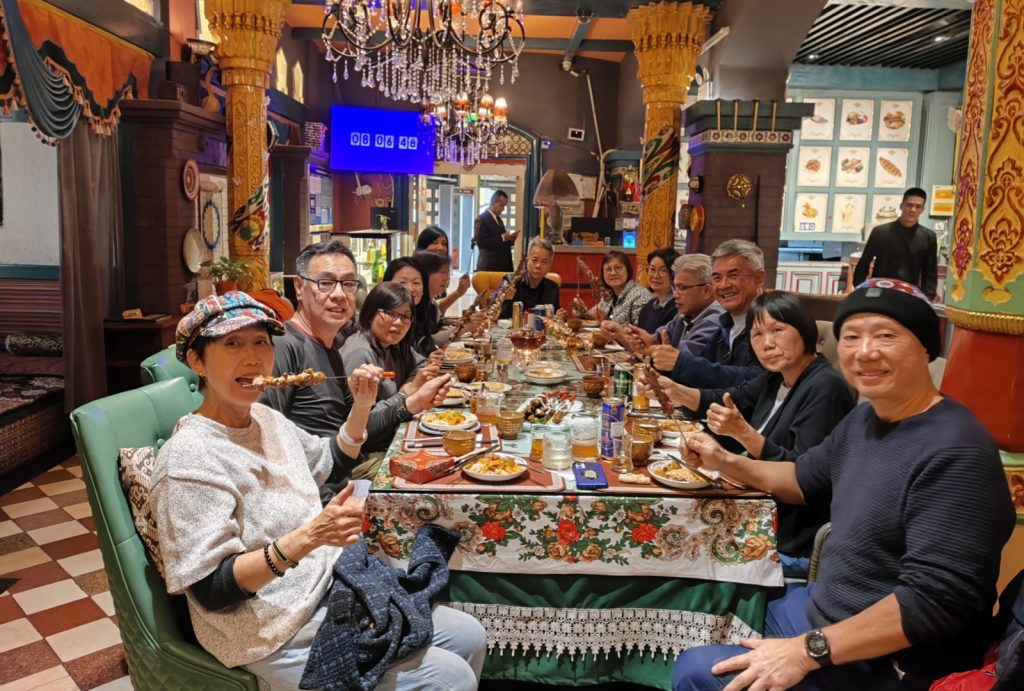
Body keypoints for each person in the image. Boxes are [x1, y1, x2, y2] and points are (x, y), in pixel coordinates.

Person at [673, 278, 1015, 691]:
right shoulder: (865, 419)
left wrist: (805, 651)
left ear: (927, 347)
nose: (865, 351)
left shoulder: (956, 451)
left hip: (889, 659)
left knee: (698, 669)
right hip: (823, 608)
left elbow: (933, 602)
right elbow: (801, 478)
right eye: (851, 336)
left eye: (886, 336)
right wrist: (722, 459)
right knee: (703, 605)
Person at [153, 292, 486, 691]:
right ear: (196, 360)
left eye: (261, 342)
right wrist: (310, 536)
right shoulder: (189, 459)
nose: (254, 357)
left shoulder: (264, 417)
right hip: (270, 628)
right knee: (451, 679)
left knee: (470, 634)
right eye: (232, 344)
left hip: (329, 585)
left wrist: (362, 405)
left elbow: (329, 460)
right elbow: (212, 590)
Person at [648, 291, 854, 577]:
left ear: (804, 329)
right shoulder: (775, 379)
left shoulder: (824, 387)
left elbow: (803, 476)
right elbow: (729, 397)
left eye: (777, 330)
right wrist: (674, 390)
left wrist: (744, 434)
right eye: (756, 335)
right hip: (752, 502)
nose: (767, 344)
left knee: (670, 546)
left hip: (782, 533)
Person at [261, 242, 451, 492]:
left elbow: (359, 430)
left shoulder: (331, 348)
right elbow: (262, 442)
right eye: (325, 283)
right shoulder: (284, 345)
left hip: (347, 479)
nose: (339, 294)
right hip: (317, 495)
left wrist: (414, 401)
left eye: (348, 284)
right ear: (299, 286)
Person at [340, 281, 452, 455]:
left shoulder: (394, 344)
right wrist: (409, 390)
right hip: (367, 453)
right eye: (390, 313)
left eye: (405, 316)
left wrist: (408, 387)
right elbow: (361, 426)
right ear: (370, 313)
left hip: (393, 433)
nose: (399, 322)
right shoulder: (360, 353)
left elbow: (422, 364)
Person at [654, 239, 765, 389]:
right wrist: (667, 368)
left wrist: (680, 363)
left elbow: (758, 379)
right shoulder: (725, 324)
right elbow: (702, 377)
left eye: (733, 275)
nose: (724, 285)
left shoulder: (770, 324)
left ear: (759, 279)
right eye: (717, 278)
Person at [604, 254, 723, 360]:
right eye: (674, 288)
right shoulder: (685, 314)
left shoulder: (715, 321)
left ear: (707, 291)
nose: (676, 295)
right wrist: (645, 339)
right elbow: (657, 338)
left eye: (682, 288)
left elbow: (679, 362)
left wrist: (649, 350)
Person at [852, 187, 938, 300]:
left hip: (909, 294)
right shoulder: (880, 232)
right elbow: (865, 261)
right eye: (909, 205)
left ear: (922, 209)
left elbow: (930, 271)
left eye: (918, 206)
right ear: (901, 205)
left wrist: (928, 297)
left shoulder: (928, 236)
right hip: (878, 291)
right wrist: (859, 287)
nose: (913, 210)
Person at [413, 250, 486, 347]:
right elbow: (426, 343)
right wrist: (461, 328)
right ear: (423, 274)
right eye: (442, 272)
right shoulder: (413, 306)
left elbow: (438, 308)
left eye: (448, 272)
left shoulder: (431, 303)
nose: (447, 278)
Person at [574, 250, 652, 325]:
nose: (613, 273)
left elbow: (641, 332)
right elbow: (592, 320)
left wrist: (607, 323)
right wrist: (582, 311)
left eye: (618, 268)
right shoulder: (608, 296)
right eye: (608, 269)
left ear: (628, 270)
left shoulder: (640, 296)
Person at [498, 237, 561, 318]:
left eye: (544, 262)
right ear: (527, 261)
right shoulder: (510, 280)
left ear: (550, 265)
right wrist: (502, 297)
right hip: (510, 329)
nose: (538, 266)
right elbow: (489, 303)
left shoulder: (553, 288)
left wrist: (560, 316)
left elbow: (555, 315)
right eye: (534, 260)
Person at [416, 225, 471, 314]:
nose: (440, 247)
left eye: (444, 243)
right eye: (434, 242)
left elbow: (435, 309)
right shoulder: (414, 271)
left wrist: (459, 292)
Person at [474, 190, 516, 271]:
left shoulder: (498, 219)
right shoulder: (482, 219)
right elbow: (481, 243)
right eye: (501, 205)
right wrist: (502, 238)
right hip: (489, 267)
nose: (503, 209)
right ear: (493, 203)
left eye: (505, 206)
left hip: (502, 267)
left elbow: (500, 242)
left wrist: (510, 239)